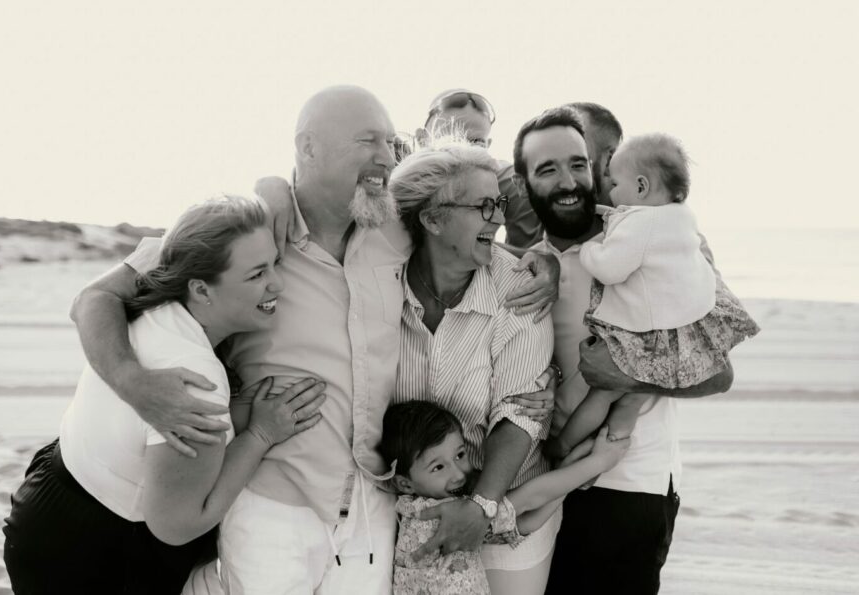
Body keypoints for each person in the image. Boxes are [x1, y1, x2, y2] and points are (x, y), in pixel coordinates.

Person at [69, 85, 560, 593]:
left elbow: (464, 225)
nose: (385, 157)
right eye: (368, 141)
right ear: (306, 149)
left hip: (373, 499)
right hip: (274, 497)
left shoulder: (394, 231)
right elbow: (94, 299)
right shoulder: (247, 232)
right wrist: (132, 381)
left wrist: (545, 263)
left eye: (390, 143)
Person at [2, 196, 326, 594]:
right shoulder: (194, 378)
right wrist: (259, 435)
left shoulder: (150, 298)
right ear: (202, 290)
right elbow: (176, 526)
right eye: (257, 273)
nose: (279, 283)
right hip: (95, 557)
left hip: (49, 497)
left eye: (275, 263)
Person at [513, 106, 736, 595]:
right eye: (547, 169)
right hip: (535, 484)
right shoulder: (526, 266)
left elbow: (720, 373)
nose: (571, 179)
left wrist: (629, 378)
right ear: (525, 182)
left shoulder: (664, 247)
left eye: (580, 162)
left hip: (628, 487)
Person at [388, 143, 560, 595]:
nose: (499, 218)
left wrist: (481, 506)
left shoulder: (520, 288)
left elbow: (522, 413)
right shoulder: (380, 280)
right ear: (432, 219)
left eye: (499, 203)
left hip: (506, 503)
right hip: (406, 511)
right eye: (484, 206)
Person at [548, 133, 760, 456]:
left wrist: (590, 248)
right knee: (630, 399)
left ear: (642, 187)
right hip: (682, 331)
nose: (609, 187)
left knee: (603, 393)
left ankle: (561, 447)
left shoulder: (640, 224)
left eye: (614, 182)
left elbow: (611, 268)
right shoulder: (683, 218)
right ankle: (609, 446)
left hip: (645, 334)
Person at [379, 400, 630, 595]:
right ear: (405, 483)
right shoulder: (430, 516)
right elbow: (528, 499)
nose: (458, 474)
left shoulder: (442, 506)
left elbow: (526, 522)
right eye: (438, 467)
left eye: (459, 455)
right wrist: (598, 462)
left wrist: (570, 466)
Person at [425, 89, 542, 248]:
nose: (463, 151)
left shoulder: (509, 181)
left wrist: (478, 244)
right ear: (422, 139)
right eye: (451, 140)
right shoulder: (400, 181)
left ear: (488, 146)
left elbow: (530, 258)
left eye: (476, 142)